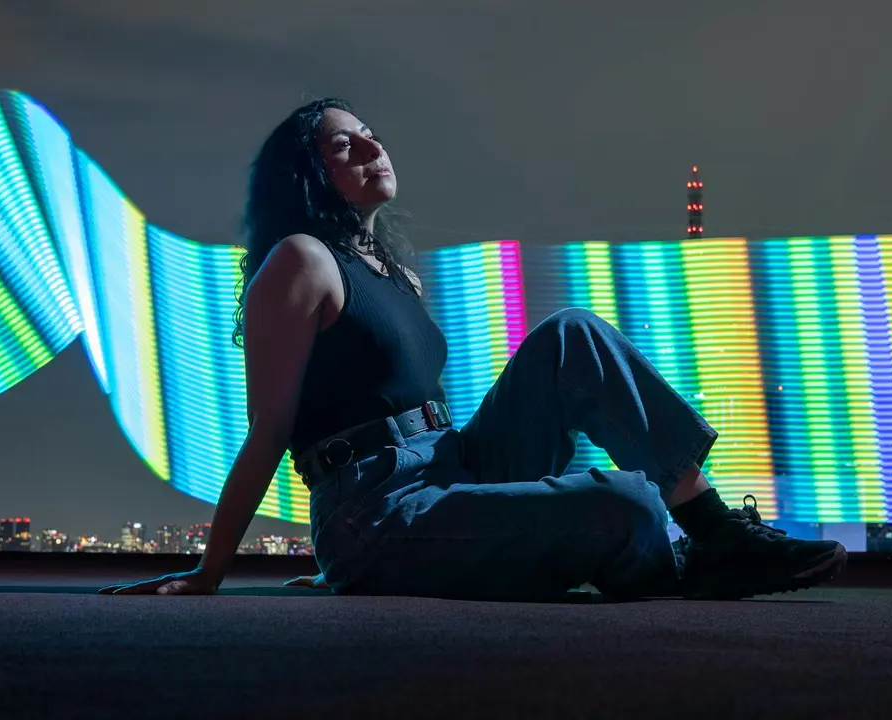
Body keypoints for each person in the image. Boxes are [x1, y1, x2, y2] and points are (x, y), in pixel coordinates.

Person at [99, 98, 847, 601]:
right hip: (375, 503)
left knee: (569, 334)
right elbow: (269, 429)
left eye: (372, 136)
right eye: (341, 145)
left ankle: (714, 529)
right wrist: (210, 573)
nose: (369, 146)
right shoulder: (301, 260)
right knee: (624, 503)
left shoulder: (398, 274)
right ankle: (676, 557)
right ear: (309, 173)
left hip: (451, 462)